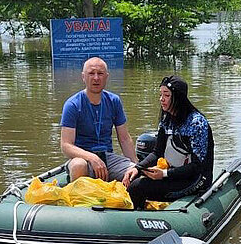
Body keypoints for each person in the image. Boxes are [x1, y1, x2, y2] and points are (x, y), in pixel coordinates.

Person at [122, 75, 214, 208]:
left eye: (166, 95)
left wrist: (164, 174)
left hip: (196, 179)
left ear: (178, 97)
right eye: (160, 94)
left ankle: (139, 219)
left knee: (137, 187)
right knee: (132, 179)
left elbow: (197, 166)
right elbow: (157, 152)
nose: (161, 99)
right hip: (174, 173)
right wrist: (138, 168)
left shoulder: (196, 123)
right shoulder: (166, 120)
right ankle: (139, 212)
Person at [60, 57, 137, 181]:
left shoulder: (114, 101)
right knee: (79, 165)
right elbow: (66, 145)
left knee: (135, 174)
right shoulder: (73, 104)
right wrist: (92, 158)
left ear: (106, 76)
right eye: (91, 73)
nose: (96, 78)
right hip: (82, 158)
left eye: (100, 73)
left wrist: (136, 165)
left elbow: (124, 138)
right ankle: (80, 197)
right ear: (83, 77)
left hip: (107, 157)